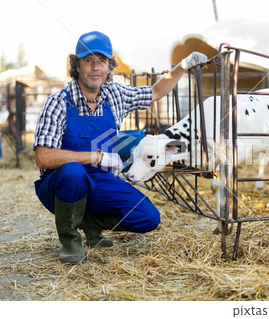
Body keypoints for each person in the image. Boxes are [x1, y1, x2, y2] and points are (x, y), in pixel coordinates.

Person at [33, 31, 207, 264]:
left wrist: (183, 67)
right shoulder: (59, 102)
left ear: (109, 66)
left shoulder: (114, 94)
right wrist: (96, 156)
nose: (95, 67)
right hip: (60, 184)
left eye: (102, 61)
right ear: (76, 66)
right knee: (73, 173)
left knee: (148, 218)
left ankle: (90, 223)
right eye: (88, 60)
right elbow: (43, 158)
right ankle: (70, 240)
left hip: (98, 180)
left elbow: (155, 91)